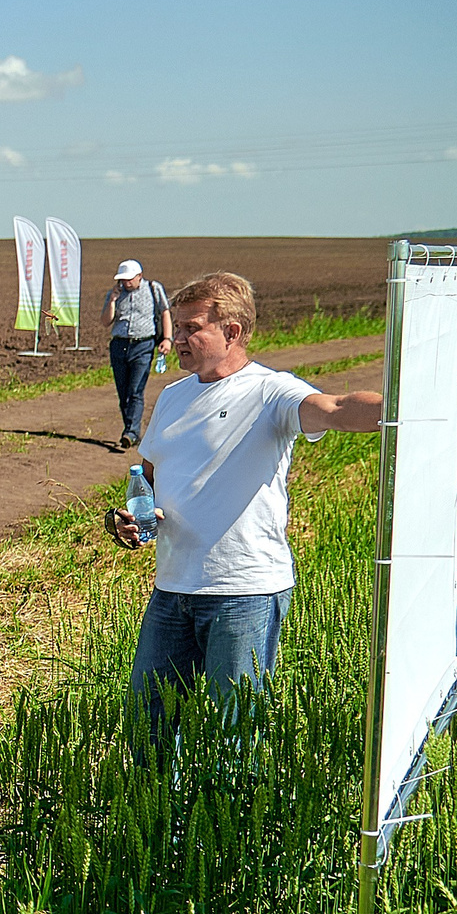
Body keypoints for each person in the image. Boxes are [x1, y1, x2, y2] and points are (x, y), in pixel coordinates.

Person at [111, 271, 380, 706]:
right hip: (172, 590)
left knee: (232, 736)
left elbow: (334, 409)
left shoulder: (270, 392)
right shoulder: (173, 397)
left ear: (232, 332)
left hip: (243, 593)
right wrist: (129, 520)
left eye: (191, 328)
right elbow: (149, 477)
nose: (176, 338)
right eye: (176, 327)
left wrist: (404, 408)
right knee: (149, 728)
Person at [104, 259, 173, 450]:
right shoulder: (115, 294)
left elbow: (165, 312)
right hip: (119, 345)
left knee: (135, 390)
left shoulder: (153, 288)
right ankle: (130, 429)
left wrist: (167, 338)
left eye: (129, 279)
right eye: (122, 280)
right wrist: (112, 301)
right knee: (123, 391)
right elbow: (105, 321)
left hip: (143, 345)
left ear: (139, 276)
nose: (126, 283)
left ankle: (131, 432)